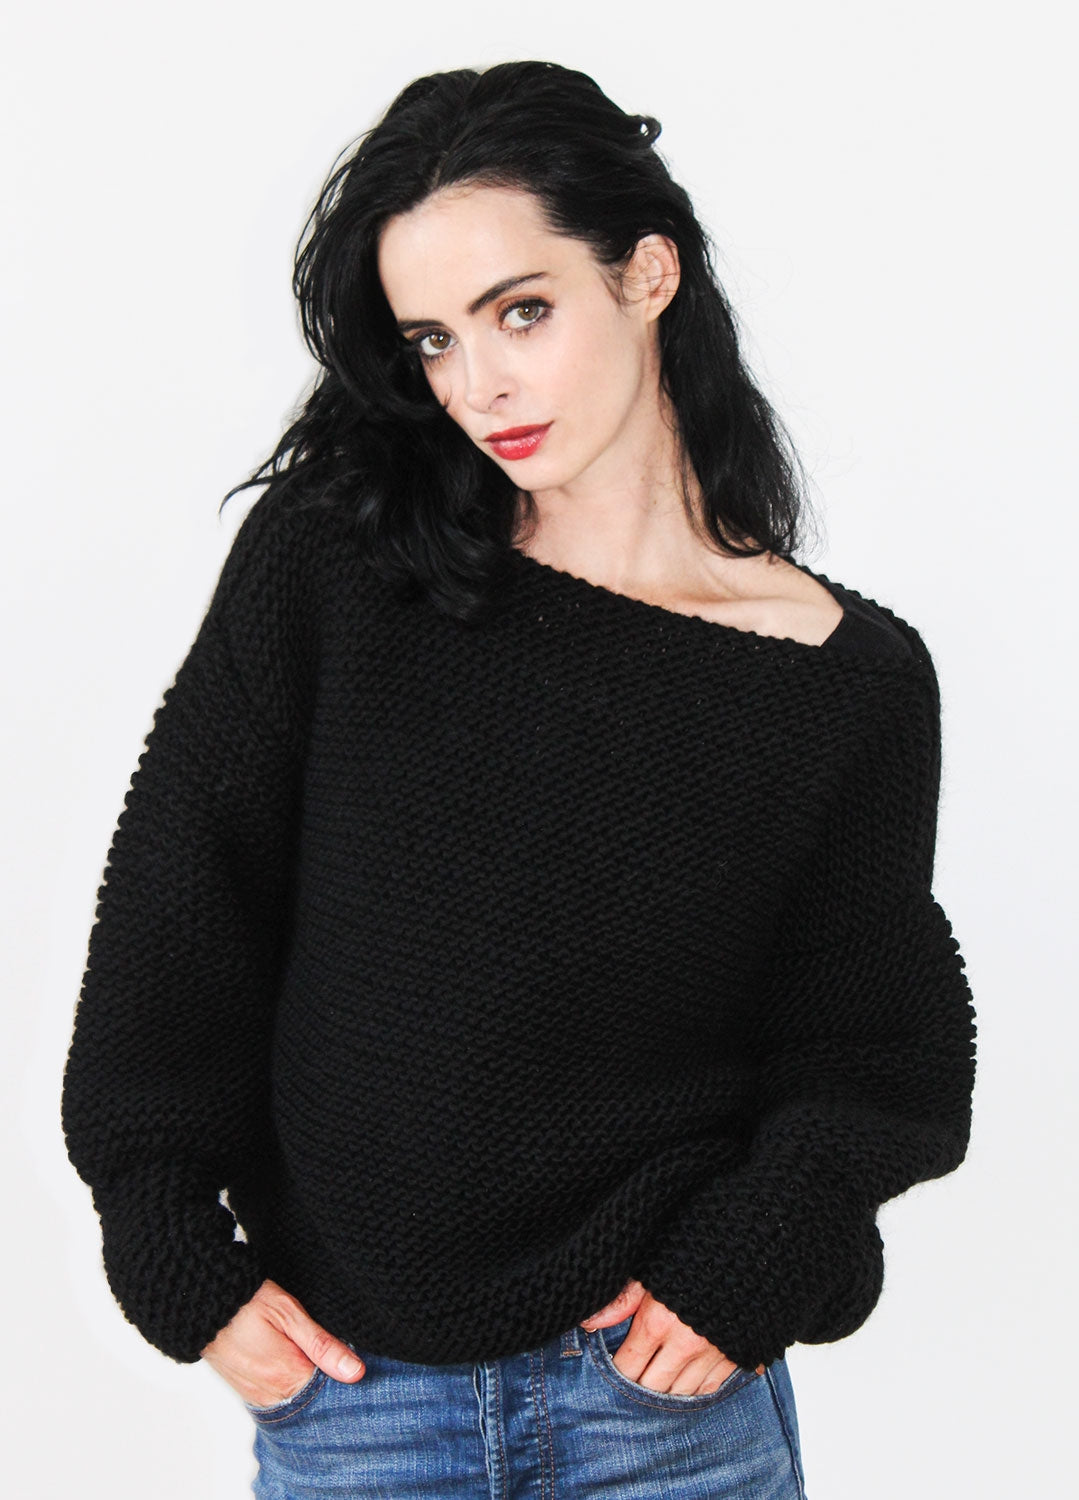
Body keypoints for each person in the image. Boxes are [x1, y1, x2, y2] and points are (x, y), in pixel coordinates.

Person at [61, 59, 978, 1499]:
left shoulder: (841, 680)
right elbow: (184, 900)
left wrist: (759, 1255)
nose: (477, 385)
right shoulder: (340, 561)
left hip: (661, 1415)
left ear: (649, 272)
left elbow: (874, 1051)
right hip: (355, 1402)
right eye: (433, 339)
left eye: (522, 311)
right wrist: (166, 1236)